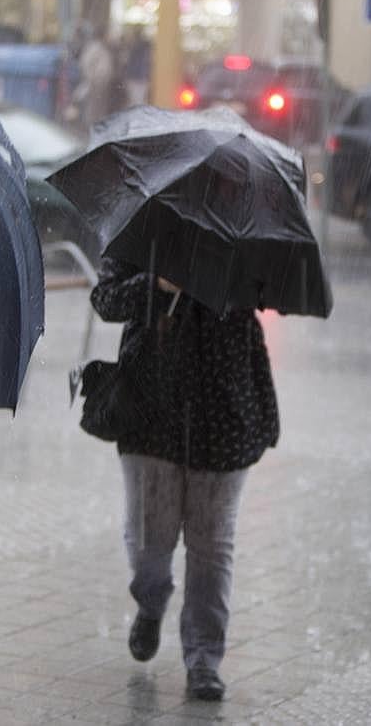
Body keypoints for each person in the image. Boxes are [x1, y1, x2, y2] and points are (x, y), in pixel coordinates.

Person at [89, 258, 279, 702]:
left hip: (226, 405)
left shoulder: (248, 229)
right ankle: (151, 602)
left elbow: (278, 290)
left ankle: (204, 659)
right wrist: (155, 283)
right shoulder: (145, 218)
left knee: (212, 544)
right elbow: (106, 298)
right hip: (151, 408)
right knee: (148, 542)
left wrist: (238, 280)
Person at [71, 21, 115, 129]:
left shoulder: (102, 47)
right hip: (95, 82)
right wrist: (93, 78)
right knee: (93, 108)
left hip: (101, 82)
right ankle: (92, 128)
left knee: (99, 107)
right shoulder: (94, 47)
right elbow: (85, 64)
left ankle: (97, 127)